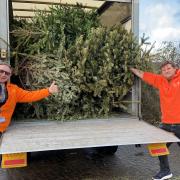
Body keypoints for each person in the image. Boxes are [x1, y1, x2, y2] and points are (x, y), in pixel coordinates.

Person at [130, 61, 180, 180]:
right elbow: (143, 74)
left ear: (175, 69)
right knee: (158, 146)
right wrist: (129, 68)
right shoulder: (160, 80)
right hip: (166, 124)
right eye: (163, 70)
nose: (166, 71)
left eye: (168, 68)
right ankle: (165, 171)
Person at [0, 61, 59, 136]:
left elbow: (31, 96)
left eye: (7, 73)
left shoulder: (14, 90)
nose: (4, 74)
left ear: (9, 76)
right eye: (1, 71)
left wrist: (48, 91)